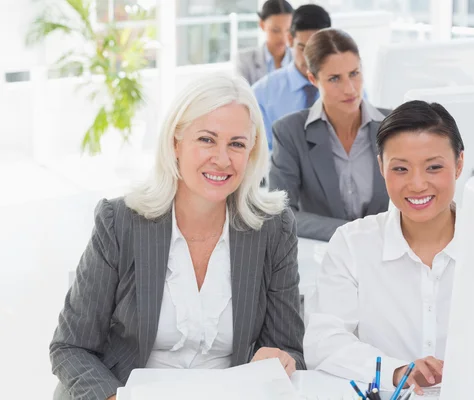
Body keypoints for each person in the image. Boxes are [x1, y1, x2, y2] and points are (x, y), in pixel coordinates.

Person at [49, 72, 305, 400]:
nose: (223, 159)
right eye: (207, 139)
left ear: (252, 151)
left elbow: (289, 350)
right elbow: (71, 346)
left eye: (237, 144)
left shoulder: (274, 228)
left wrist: (282, 360)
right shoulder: (120, 221)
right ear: (175, 143)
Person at [303, 100, 465, 394]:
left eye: (434, 167)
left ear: (459, 164)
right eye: (401, 169)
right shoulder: (353, 244)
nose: (417, 184)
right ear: (381, 166)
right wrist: (398, 370)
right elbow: (323, 342)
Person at [269, 28, 389, 242]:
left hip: (386, 255)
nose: (350, 89)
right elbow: (281, 214)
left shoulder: (394, 126)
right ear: (313, 79)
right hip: (322, 257)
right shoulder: (290, 132)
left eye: (354, 74)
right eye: (335, 79)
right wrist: (351, 232)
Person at [252, 4, 331, 150]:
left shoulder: (349, 88)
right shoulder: (262, 93)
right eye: (303, 48)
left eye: (317, 49)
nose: (310, 59)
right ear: (289, 39)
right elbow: (259, 154)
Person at [235, 0, 294, 86]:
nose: (283, 37)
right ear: (262, 25)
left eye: (288, 30)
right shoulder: (244, 61)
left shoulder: (300, 60)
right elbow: (242, 97)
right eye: (275, 30)